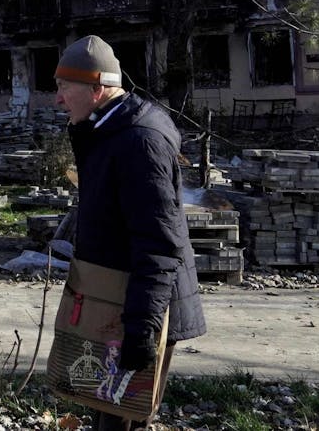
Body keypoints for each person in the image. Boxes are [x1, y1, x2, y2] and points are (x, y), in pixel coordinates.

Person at [55, 35, 206, 431]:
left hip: (140, 310)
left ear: (96, 88)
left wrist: (142, 329)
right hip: (118, 304)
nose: (59, 100)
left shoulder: (139, 140)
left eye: (64, 89)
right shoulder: (108, 130)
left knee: (121, 421)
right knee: (111, 415)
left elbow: (158, 243)